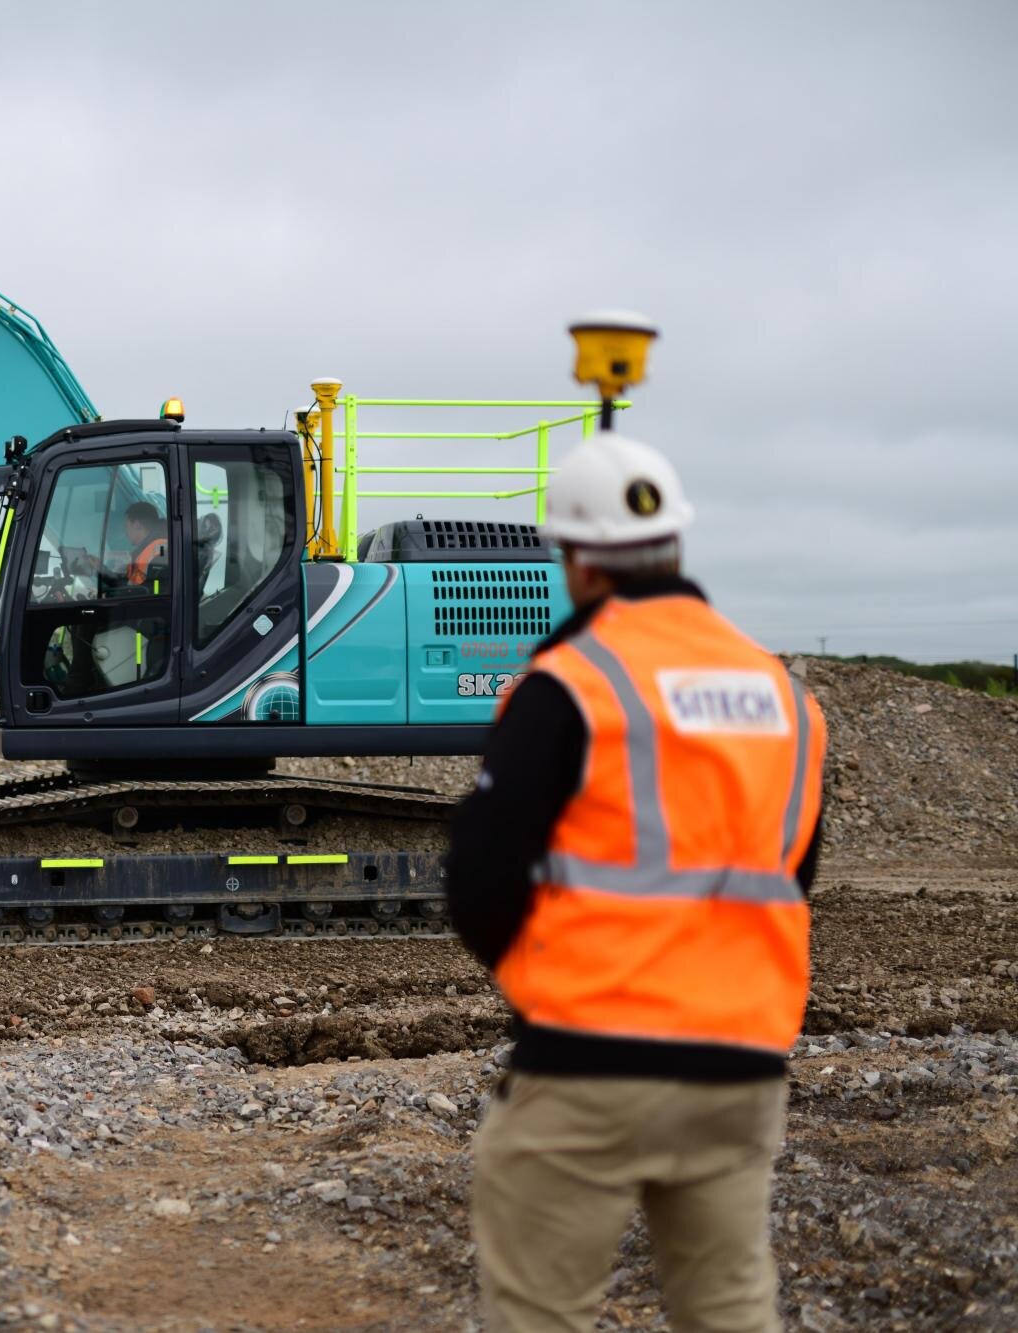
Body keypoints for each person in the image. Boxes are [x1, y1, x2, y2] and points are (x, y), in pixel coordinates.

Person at [446, 431, 826, 1333]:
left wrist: (550, 990)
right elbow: (789, 876)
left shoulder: (573, 683)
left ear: (577, 560)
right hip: (740, 1067)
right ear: (676, 546)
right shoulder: (783, 696)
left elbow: (481, 878)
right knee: (730, 1307)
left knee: (543, 1312)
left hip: (590, 1059)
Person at [119, 500, 167, 589]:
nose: (126, 532)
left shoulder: (160, 550)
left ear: (137, 525)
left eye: (127, 526)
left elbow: (153, 589)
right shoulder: (148, 549)